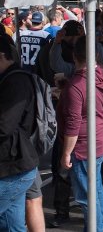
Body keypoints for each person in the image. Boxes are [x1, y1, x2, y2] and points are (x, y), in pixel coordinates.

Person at [58, 36, 103, 232]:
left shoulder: (77, 85)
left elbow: (73, 124)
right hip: (99, 138)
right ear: (96, 54)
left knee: (86, 195)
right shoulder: (102, 74)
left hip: (83, 145)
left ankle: (95, 227)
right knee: (95, 189)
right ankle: (100, 225)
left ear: (74, 56)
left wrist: (65, 153)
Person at [0, 34, 38, 231]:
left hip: (14, 166)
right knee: (12, 224)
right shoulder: (10, 78)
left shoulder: (15, 81)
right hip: (16, 165)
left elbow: (4, 125)